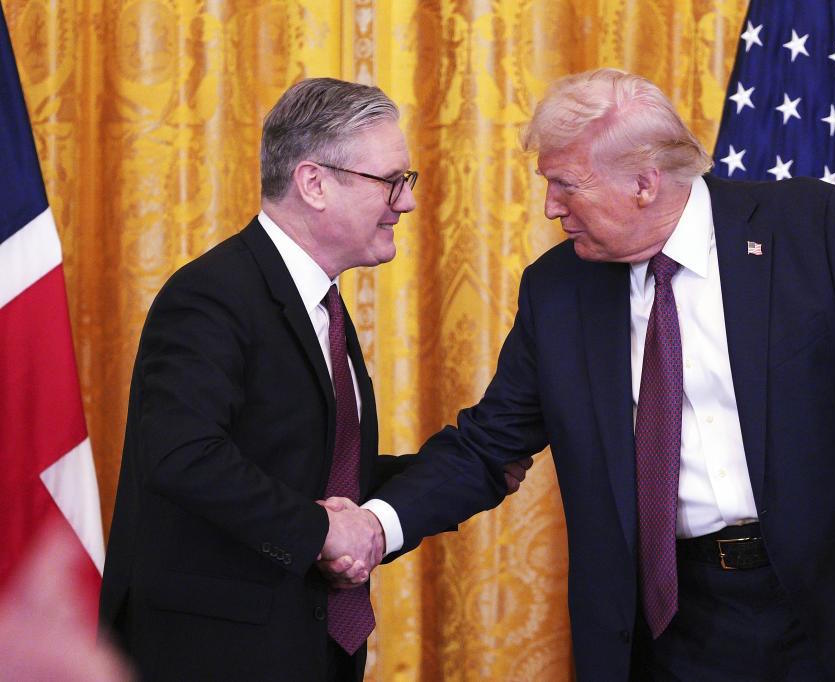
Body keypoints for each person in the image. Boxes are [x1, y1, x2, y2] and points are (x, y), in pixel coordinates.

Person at [360, 69, 835, 680]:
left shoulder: (811, 225)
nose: (551, 207)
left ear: (643, 183)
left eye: (565, 185)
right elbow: (486, 446)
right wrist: (375, 525)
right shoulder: (558, 291)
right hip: (679, 630)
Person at [99, 78, 529, 682]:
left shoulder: (317, 300)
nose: (406, 202)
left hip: (308, 647)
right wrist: (326, 530)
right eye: (392, 181)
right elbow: (183, 455)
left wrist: (463, 472)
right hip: (214, 654)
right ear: (314, 183)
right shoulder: (211, 295)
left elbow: (309, 471)